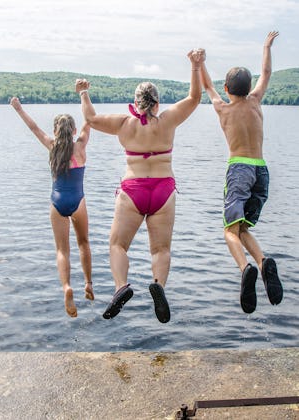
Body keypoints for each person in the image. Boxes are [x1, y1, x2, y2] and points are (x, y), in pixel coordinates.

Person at [75, 49, 205, 323]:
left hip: (132, 191)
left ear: (134, 102)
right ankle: (158, 285)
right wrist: (196, 65)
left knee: (117, 245)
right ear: (157, 103)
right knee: (161, 250)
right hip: (163, 191)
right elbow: (195, 98)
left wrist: (83, 93)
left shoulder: (124, 124)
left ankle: (121, 286)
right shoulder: (168, 120)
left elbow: (91, 119)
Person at [199, 31, 283, 313]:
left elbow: (207, 87)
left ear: (227, 88)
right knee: (243, 227)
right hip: (262, 171)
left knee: (229, 231)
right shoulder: (256, 101)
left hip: (239, 170)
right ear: (249, 88)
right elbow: (267, 71)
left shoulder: (222, 108)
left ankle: (244, 268)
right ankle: (263, 263)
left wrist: (199, 64)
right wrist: (266, 45)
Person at [10, 96, 94, 318]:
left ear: (56, 132)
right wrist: (84, 94)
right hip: (78, 201)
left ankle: (66, 286)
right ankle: (88, 283)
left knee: (61, 250)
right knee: (83, 243)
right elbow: (90, 119)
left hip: (57, 202)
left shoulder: (51, 145)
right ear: (74, 130)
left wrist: (19, 109)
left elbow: (34, 127)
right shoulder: (81, 145)